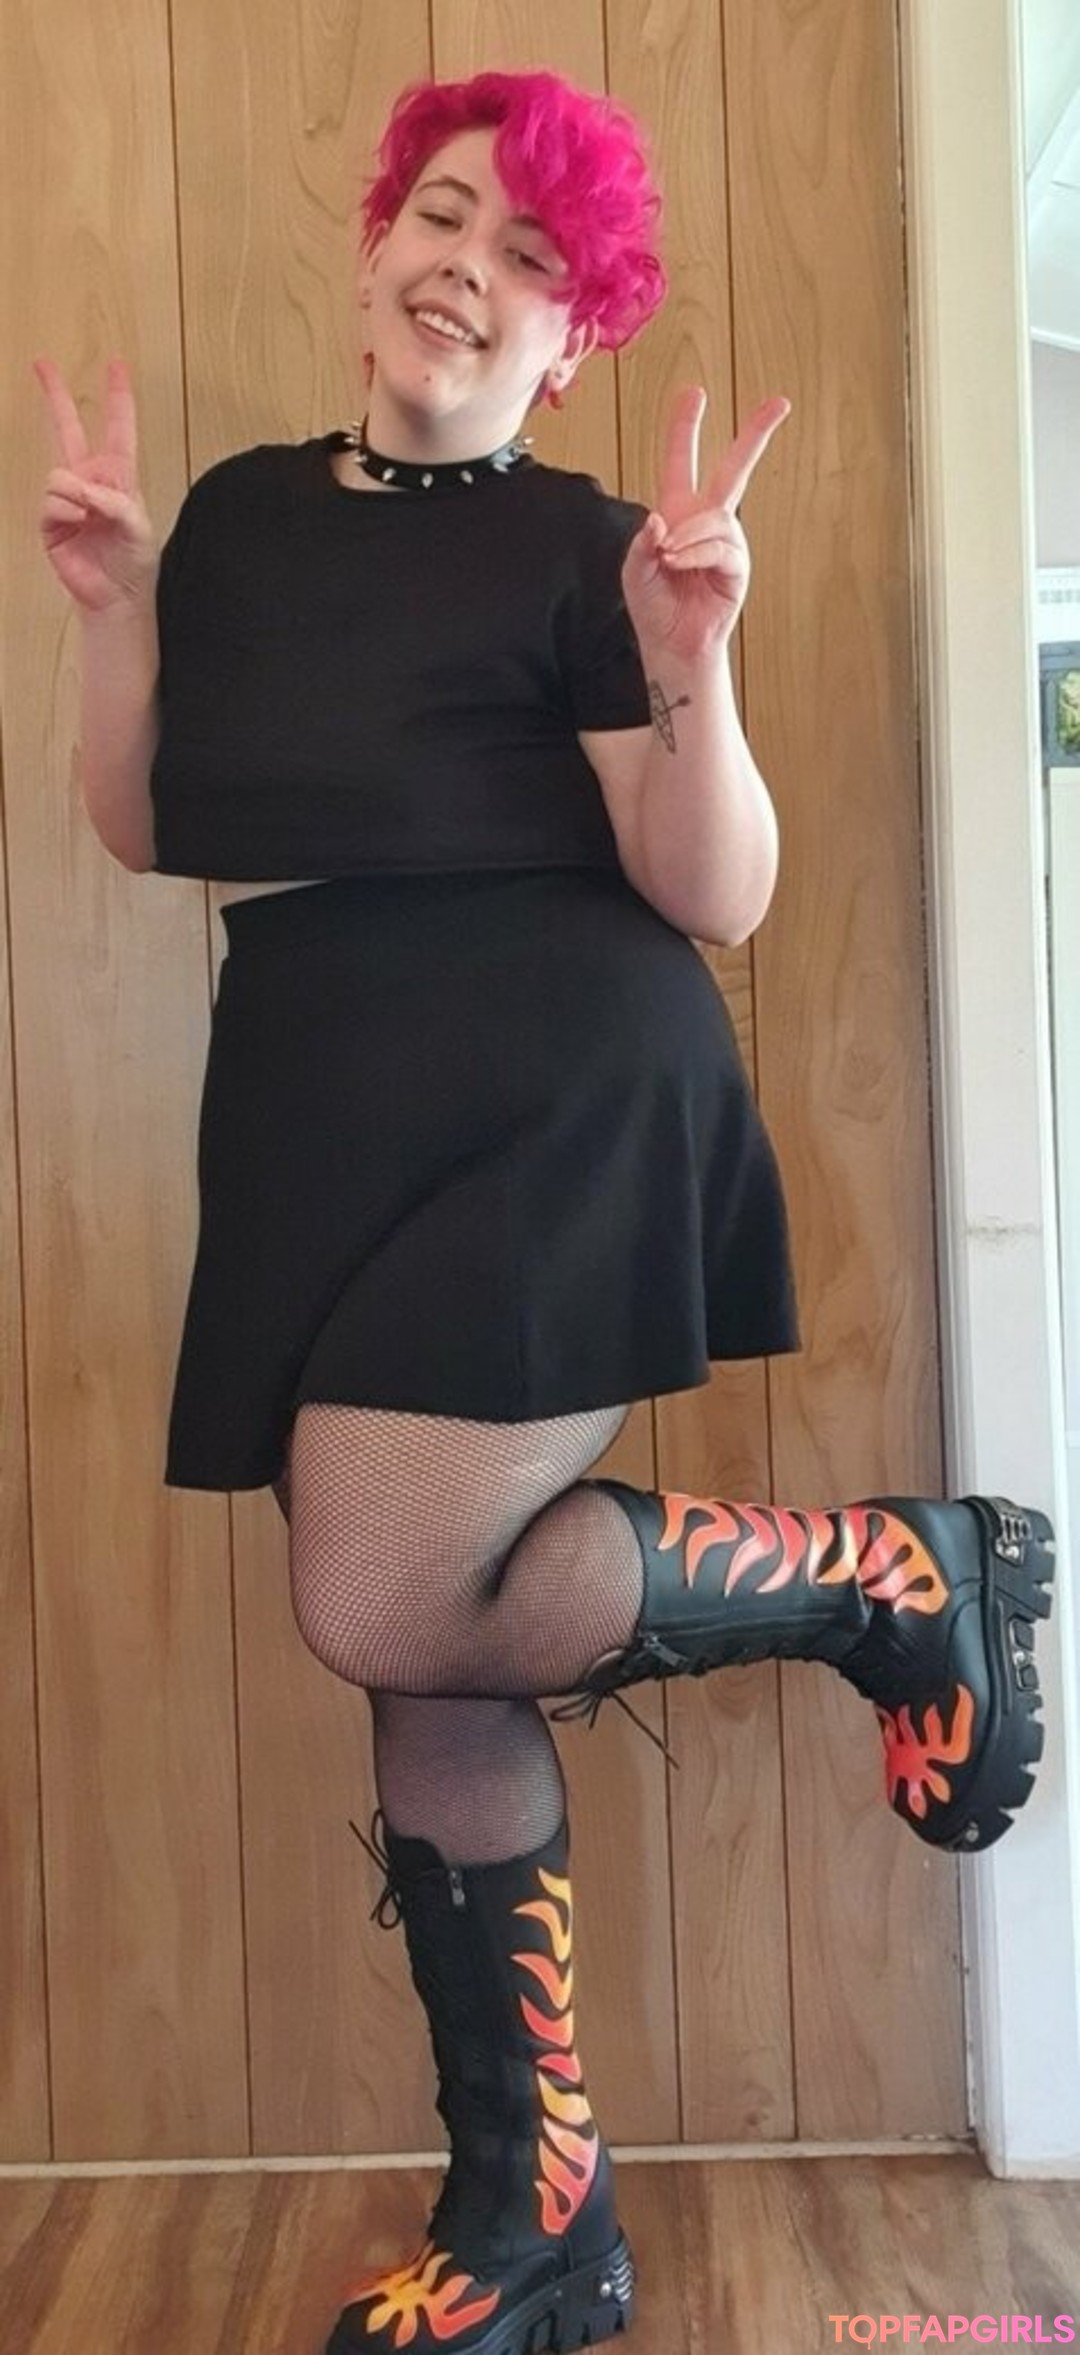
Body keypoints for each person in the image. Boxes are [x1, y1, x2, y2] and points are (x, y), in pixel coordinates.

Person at [35, 66, 1055, 2355]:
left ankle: (897, 1576)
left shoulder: (592, 547)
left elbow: (720, 887)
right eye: (446, 215)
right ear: (378, 234)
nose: (465, 271)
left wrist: (692, 668)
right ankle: (538, 2219)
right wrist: (109, 610)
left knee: (383, 1584)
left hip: (558, 1081)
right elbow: (151, 819)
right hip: (321, 1098)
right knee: (430, 1645)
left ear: (572, 342)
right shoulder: (242, 516)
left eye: (528, 261)